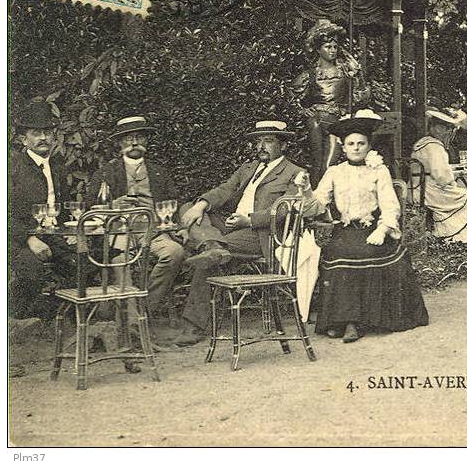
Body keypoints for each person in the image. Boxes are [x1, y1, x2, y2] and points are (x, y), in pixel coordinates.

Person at [174, 120, 309, 346]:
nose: (261, 146)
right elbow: (224, 190)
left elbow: (286, 209)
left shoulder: (295, 173)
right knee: (189, 208)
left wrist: (250, 220)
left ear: (283, 145)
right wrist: (202, 205)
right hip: (233, 224)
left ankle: (194, 326)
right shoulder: (248, 168)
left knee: (208, 262)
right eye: (258, 141)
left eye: (268, 141)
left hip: (261, 233)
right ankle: (213, 246)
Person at [304, 109, 429, 342]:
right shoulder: (335, 172)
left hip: (373, 227)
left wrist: (383, 230)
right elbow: (318, 203)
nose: (356, 147)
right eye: (351, 143)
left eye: (361, 143)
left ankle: (358, 322)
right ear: (343, 147)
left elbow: (390, 204)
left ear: (368, 145)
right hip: (346, 228)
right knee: (337, 251)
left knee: (366, 250)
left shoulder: (378, 170)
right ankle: (339, 319)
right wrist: (304, 191)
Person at [86, 116, 185, 332]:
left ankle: (144, 309)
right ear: (120, 144)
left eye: (139, 137)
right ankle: (134, 326)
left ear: (147, 142)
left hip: (153, 229)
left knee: (174, 252)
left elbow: (175, 202)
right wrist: (113, 205)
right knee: (121, 261)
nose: (134, 143)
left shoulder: (158, 171)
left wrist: (176, 224)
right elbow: (90, 207)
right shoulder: (106, 172)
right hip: (119, 230)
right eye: (128, 139)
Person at [9, 101, 76, 319]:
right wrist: (29, 239)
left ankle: (58, 315)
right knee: (31, 269)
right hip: (17, 239)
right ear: (23, 139)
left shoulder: (58, 166)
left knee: (85, 260)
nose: (43, 138)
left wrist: (72, 232)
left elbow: (64, 208)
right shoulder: (13, 168)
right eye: (36, 133)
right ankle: (19, 320)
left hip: (54, 235)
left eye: (47, 132)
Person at [294, 19, 370, 184]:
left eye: (335, 46)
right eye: (328, 47)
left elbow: (362, 96)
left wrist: (357, 74)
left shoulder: (345, 72)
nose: (333, 50)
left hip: (336, 122)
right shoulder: (311, 74)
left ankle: (325, 201)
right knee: (316, 162)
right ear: (318, 49)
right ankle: (314, 203)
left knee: (329, 164)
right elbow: (292, 97)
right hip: (315, 120)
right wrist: (302, 110)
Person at [411, 108, 467, 250]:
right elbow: (442, 177)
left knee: (462, 195)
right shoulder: (434, 147)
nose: (449, 133)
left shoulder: (421, 143)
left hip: (417, 188)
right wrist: (452, 180)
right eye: (446, 128)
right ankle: (460, 242)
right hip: (430, 193)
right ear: (437, 129)